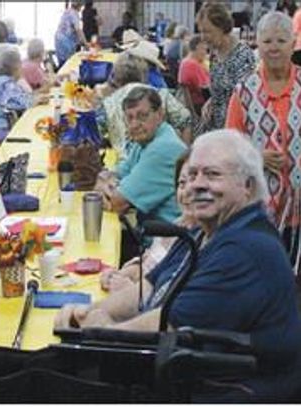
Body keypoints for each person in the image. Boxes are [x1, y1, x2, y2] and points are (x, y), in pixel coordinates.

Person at [56, 130, 301, 402]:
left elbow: (169, 327)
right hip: (187, 370)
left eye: (212, 175)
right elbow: (149, 287)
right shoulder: (203, 232)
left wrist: (101, 333)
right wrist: (87, 313)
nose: (197, 185)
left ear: (248, 186)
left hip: (232, 389)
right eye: (192, 174)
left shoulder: (247, 249)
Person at [226, 11, 301, 272]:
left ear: (293, 44)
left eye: (281, 41)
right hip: (261, 209)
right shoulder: (244, 91)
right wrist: (255, 155)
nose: (274, 48)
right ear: (257, 44)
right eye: (267, 41)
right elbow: (230, 147)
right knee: (266, 277)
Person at [101, 152, 195, 292]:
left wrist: (131, 290)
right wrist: (123, 273)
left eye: (195, 183)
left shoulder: (202, 242)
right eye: (182, 183)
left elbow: (165, 299)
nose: (187, 191)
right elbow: (150, 260)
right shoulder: (179, 224)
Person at [94, 86, 187, 224]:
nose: (134, 124)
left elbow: (118, 203)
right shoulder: (144, 139)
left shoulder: (162, 148)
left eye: (142, 116)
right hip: (152, 231)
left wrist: (104, 187)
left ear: (160, 114)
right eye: (129, 118)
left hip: (168, 239)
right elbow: (117, 174)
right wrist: (105, 181)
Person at [97, 54, 192, 156]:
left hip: (125, 164)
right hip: (162, 158)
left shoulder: (108, 103)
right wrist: (184, 155)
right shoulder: (162, 94)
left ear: (117, 77)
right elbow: (186, 120)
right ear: (143, 73)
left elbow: (95, 133)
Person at [196, 2, 255, 132]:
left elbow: (246, 100)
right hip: (215, 126)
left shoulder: (243, 56)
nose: (203, 37)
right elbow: (220, 91)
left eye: (207, 31)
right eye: (201, 32)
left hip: (234, 130)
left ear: (222, 27)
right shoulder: (214, 54)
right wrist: (211, 101)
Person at [0, 45, 35, 142]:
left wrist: (35, 98)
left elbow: (21, 96)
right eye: (20, 64)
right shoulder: (5, 84)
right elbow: (23, 102)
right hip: (1, 132)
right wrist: (37, 99)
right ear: (15, 67)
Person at [177, 34, 210, 116]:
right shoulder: (192, 65)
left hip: (193, 106)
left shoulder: (185, 61)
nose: (205, 53)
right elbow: (205, 89)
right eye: (204, 49)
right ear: (197, 47)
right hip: (200, 107)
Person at [54, 0, 88, 67]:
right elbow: (78, 30)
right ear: (79, 5)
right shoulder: (74, 14)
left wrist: (80, 41)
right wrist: (86, 43)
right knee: (68, 65)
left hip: (59, 41)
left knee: (63, 64)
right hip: (65, 42)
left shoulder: (67, 11)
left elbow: (73, 30)